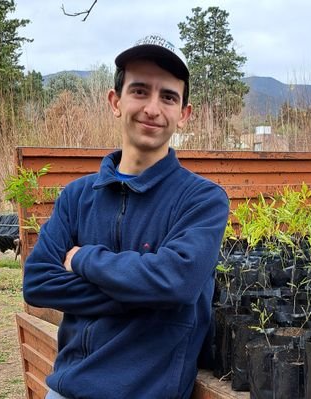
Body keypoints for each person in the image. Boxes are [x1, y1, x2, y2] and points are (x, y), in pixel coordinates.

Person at [23, 34, 230, 399]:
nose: (153, 107)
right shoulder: (77, 196)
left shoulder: (202, 200)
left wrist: (83, 258)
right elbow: (38, 281)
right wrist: (148, 293)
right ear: (115, 101)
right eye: (139, 91)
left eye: (168, 96)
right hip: (66, 391)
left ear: (183, 114)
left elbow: (176, 282)